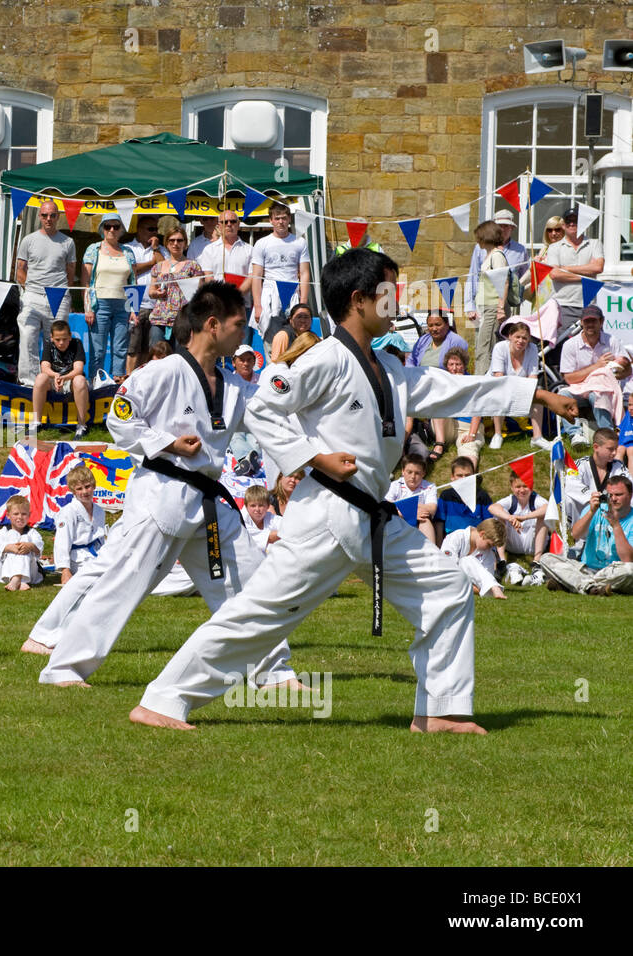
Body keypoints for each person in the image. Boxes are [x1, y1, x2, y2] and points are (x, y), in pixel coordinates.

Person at [127, 248, 577, 735]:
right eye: (388, 291)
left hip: (370, 518)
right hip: (325, 517)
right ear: (359, 300)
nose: (396, 299)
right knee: (259, 616)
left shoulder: (389, 365)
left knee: (448, 589)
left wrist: (537, 394)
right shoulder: (325, 358)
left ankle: (440, 710)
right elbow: (263, 412)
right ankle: (163, 699)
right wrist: (314, 457)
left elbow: (458, 388)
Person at [24, 282, 295, 691]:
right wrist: (168, 443)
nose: (245, 333)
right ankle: (63, 669)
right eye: (239, 325)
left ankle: (273, 673)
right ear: (212, 325)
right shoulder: (163, 371)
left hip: (207, 502)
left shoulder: (234, 386)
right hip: (162, 497)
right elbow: (120, 418)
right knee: (122, 584)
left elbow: (274, 417)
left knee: (250, 581)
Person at [14, 200, 78, 387]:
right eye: (44, 215)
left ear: (58, 216)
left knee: (60, 341)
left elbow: (71, 270)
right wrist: (30, 289)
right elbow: (20, 269)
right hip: (32, 295)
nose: (48, 219)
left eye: (52, 215)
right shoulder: (29, 240)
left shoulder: (68, 242)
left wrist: (63, 291)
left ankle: (58, 381)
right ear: (40, 216)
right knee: (28, 339)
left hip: (58, 295)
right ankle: (29, 382)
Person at [539, 474, 633, 595]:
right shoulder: (596, 509)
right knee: (546, 558)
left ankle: (573, 584)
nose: (613, 499)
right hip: (587, 569)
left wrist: (616, 525)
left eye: (618, 495)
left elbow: (628, 559)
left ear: (630, 495)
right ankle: (592, 587)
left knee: (630, 570)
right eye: (610, 495)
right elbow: (575, 535)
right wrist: (591, 512)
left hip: (613, 572)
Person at [558, 305, 631, 442]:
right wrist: (597, 366)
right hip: (578, 388)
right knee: (563, 395)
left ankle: (608, 434)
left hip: (602, 388)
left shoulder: (612, 341)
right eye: (587, 321)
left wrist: (611, 374)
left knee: (599, 394)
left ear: (601, 322)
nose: (590, 325)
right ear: (581, 322)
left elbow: (628, 369)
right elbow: (568, 378)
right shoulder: (570, 344)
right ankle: (575, 434)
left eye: (594, 321)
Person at [134, 221, 201, 370]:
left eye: (179, 240)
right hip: (160, 317)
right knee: (156, 356)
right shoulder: (158, 266)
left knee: (181, 358)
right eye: (172, 240)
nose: (175, 244)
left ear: (185, 243)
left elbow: (199, 295)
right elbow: (151, 291)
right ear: (167, 243)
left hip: (182, 319)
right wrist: (156, 293)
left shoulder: (193, 266)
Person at [83, 213, 138, 381]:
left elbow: (133, 282)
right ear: (102, 229)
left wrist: (134, 309)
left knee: (120, 348)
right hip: (99, 303)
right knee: (97, 349)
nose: (112, 229)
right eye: (108, 226)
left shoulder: (128, 251)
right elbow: (86, 282)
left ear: (121, 229)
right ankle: (95, 382)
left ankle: (117, 383)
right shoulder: (94, 249)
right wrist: (88, 308)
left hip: (123, 305)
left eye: (116, 226)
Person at [249, 201, 310, 339]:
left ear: (289, 219)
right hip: (270, 297)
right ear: (271, 220)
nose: (281, 222)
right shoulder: (262, 243)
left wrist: (303, 302)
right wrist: (258, 306)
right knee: (271, 341)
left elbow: (305, 273)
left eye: (284, 218)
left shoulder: (300, 242)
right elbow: (257, 276)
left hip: (293, 296)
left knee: (295, 340)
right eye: (277, 218)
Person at [544, 205, 605, 338]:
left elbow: (598, 267)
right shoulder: (554, 247)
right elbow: (554, 274)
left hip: (589, 303)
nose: (572, 224)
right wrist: (587, 274)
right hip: (563, 304)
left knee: (593, 341)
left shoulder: (594, 243)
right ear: (564, 226)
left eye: (576, 221)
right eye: (568, 221)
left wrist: (566, 269)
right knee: (562, 342)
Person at [488, 321, 547, 450]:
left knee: (539, 394)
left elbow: (533, 379)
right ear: (510, 336)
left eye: (525, 338)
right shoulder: (500, 347)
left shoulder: (532, 349)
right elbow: (499, 378)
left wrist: (525, 391)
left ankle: (537, 437)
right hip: (497, 387)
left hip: (520, 387)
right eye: (517, 337)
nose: (521, 341)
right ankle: (498, 434)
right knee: (499, 393)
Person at [471, 220, 519, 375]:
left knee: (485, 347)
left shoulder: (497, 255)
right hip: (486, 307)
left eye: (479, 236)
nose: (477, 240)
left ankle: (482, 381)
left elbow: (503, 281)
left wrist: (500, 308)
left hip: (493, 307)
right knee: (485, 346)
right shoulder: (489, 255)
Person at [467, 209, 527, 326]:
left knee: (508, 338)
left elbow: (524, 279)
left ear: (512, 228)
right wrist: (470, 306)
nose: (502, 229)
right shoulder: (480, 248)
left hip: (510, 304)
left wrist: (520, 300)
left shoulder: (520, 250)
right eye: (499, 226)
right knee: (484, 340)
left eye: (506, 226)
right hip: (484, 302)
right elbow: (473, 276)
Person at [31, 319, 90, 437]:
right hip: (54, 379)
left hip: (71, 380)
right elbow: (44, 367)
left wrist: (65, 377)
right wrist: (55, 375)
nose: (61, 343)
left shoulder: (77, 343)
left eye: (64, 339)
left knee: (80, 380)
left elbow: (79, 369)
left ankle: (82, 425)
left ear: (70, 336)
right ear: (52, 337)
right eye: (57, 340)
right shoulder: (49, 344)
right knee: (40, 378)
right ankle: (36, 422)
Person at [563, 427, 627, 528]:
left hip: (611, 511)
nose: (615, 453)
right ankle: (578, 533)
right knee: (569, 498)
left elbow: (628, 485)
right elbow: (571, 484)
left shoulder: (618, 466)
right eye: (610, 449)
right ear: (596, 447)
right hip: (585, 512)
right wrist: (594, 497)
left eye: (616, 449)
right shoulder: (580, 465)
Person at [52, 464, 106, 584]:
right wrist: (65, 570)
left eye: (88, 487)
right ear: (73, 491)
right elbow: (62, 540)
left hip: (97, 554)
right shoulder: (68, 511)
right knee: (97, 580)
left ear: (94, 486)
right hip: (78, 558)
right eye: (79, 489)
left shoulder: (99, 510)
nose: (85, 492)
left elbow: (101, 538)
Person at [493, 473, 549, 585]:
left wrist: (524, 517)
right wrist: (510, 518)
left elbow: (548, 508)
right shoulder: (511, 500)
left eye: (525, 486)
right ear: (512, 487)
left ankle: (536, 561)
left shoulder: (536, 499)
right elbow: (492, 507)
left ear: (531, 486)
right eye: (518, 487)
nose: (522, 490)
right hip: (512, 543)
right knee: (499, 518)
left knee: (543, 517)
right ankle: (502, 560)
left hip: (532, 544)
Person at [197, 211, 254, 318]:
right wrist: (223, 298)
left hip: (241, 305)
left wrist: (236, 296)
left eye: (232, 221)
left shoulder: (249, 249)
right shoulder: (209, 250)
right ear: (219, 226)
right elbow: (209, 277)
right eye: (224, 222)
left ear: (238, 224)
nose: (229, 224)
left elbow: (251, 277)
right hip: (218, 305)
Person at [440, 518, 507, 600]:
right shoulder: (457, 537)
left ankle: (493, 587)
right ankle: (494, 587)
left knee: (468, 561)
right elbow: (446, 567)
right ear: (482, 534)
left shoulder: (488, 553)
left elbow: (485, 579)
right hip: (446, 579)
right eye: (489, 544)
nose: (490, 548)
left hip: (468, 585)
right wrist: (471, 587)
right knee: (467, 560)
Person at [435, 455, 496, 540]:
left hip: (475, 540)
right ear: (452, 477)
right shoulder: (446, 496)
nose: (464, 479)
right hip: (451, 540)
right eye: (459, 475)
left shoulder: (482, 496)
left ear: (474, 476)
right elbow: (439, 523)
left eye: (467, 475)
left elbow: (489, 522)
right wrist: (439, 545)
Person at [0, 495, 44, 591]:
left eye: (24, 514)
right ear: (8, 515)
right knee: (13, 536)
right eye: (16, 514)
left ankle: (17, 580)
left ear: (29, 515)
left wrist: (30, 546)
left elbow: (39, 550)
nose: (20, 517)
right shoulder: (2, 532)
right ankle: (20, 581)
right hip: (6, 569)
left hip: (30, 570)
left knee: (25, 541)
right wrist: (9, 547)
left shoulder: (33, 533)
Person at [386, 452, 438, 543]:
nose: (413, 477)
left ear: (424, 473)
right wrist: (411, 513)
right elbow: (387, 506)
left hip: (420, 522)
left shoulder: (430, 487)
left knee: (424, 519)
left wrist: (402, 507)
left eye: (417, 473)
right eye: (409, 472)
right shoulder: (394, 485)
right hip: (398, 521)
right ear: (403, 471)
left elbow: (432, 508)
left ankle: (431, 553)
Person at [523, 216, 565, 309]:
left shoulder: (567, 248)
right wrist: (534, 266)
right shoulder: (545, 249)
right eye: (549, 230)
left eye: (557, 230)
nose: (553, 233)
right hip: (540, 296)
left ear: (564, 231)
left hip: (558, 296)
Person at [241, 484, 280, 553]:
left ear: (268, 506)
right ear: (246, 506)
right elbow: (270, 538)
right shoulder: (241, 521)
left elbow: (286, 524)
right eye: (253, 506)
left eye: (261, 505)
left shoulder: (270, 517)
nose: (257, 509)